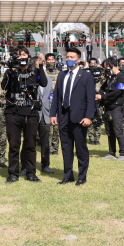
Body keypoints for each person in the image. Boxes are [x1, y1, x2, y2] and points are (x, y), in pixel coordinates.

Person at [2, 46, 47, 183]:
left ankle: (30, 172)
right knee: (14, 145)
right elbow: (4, 87)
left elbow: (43, 83)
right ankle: (13, 173)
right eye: (19, 55)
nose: (21, 58)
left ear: (28, 56)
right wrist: (11, 70)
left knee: (30, 145)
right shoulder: (11, 71)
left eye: (24, 55)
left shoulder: (34, 70)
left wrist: (39, 67)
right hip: (13, 112)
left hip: (31, 112)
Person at [50, 47, 94, 185]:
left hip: (80, 117)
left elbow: (90, 99)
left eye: (72, 57)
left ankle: (82, 177)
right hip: (63, 116)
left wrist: (89, 117)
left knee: (81, 148)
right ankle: (68, 176)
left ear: (79, 60)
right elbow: (56, 96)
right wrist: (53, 114)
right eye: (67, 57)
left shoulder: (86, 76)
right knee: (66, 148)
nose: (69, 59)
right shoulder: (62, 75)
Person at [98, 58, 124, 161]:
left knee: (118, 130)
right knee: (109, 131)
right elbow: (102, 88)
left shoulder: (122, 78)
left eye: (106, 66)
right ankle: (111, 152)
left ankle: (123, 154)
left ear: (111, 65)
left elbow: (118, 92)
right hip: (108, 107)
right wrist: (101, 97)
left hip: (117, 107)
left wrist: (103, 97)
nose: (106, 69)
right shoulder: (110, 78)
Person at [37, 53, 55, 174]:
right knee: (30, 142)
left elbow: (52, 97)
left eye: (42, 64)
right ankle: (26, 166)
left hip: (46, 114)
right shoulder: (30, 79)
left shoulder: (49, 79)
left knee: (45, 143)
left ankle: (45, 165)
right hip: (33, 115)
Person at [44, 53, 60, 155]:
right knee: (47, 127)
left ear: (56, 62)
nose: (51, 63)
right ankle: (48, 147)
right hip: (46, 103)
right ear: (45, 62)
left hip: (57, 103)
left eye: (52, 61)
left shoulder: (60, 74)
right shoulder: (43, 74)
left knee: (56, 128)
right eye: (48, 61)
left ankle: (55, 148)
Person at [86, 58, 104, 145]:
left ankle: (97, 138)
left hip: (99, 101)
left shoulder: (101, 75)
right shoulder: (85, 74)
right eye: (91, 63)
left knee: (98, 120)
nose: (93, 65)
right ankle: (91, 138)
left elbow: (104, 89)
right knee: (90, 119)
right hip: (89, 100)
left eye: (94, 63)